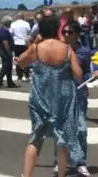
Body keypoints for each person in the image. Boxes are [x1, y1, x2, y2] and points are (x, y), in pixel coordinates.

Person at [16, 15, 84, 177]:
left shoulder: (37, 48)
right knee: (62, 139)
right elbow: (78, 75)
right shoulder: (67, 49)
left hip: (41, 97)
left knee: (35, 138)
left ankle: (26, 175)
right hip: (63, 98)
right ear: (57, 30)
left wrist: (34, 44)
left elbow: (21, 62)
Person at [63, 21, 95, 177]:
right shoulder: (58, 49)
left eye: (69, 32)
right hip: (62, 95)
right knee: (62, 131)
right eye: (64, 32)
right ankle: (60, 162)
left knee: (81, 129)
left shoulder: (84, 51)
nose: (66, 35)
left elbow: (87, 72)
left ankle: (81, 163)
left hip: (80, 94)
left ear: (76, 34)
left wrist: (93, 76)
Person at [0, 16, 19, 89]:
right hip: (5, 52)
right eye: (10, 22)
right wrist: (9, 52)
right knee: (5, 67)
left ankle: (10, 82)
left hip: (5, 51)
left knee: (8, 68)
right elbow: (5, 42)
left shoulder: (4, 30)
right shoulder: (4, 31)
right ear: (7, 23)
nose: (11, 24)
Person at [10, 13, 32, 82]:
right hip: (25, 44)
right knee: (26, 60)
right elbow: (29, 33)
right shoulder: (27, 24)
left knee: (17, 60)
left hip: (16, 44)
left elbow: (11, 33)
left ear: (17, 17)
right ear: (23, 17)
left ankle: (19, 76)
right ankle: (27, 76)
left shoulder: (13, 24)